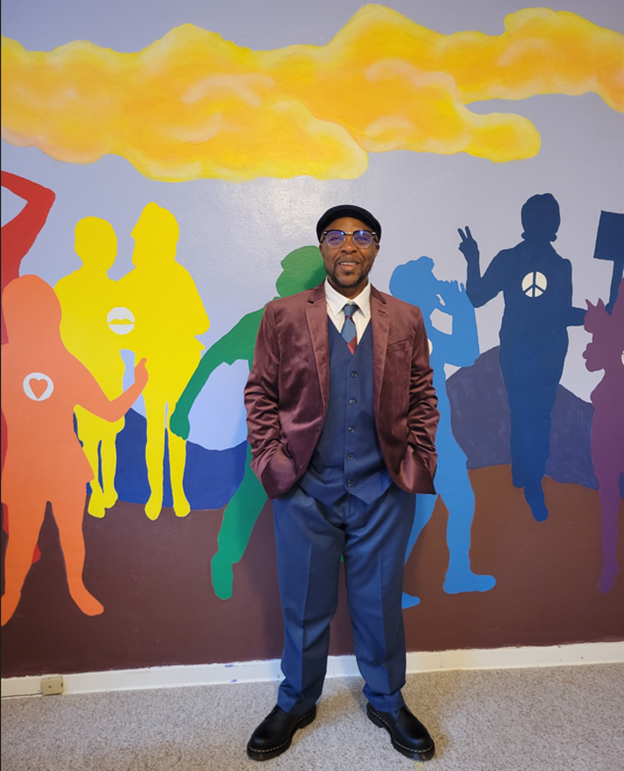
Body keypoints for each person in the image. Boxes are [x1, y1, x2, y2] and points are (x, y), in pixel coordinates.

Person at [244, 205, 439, 761]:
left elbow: (423, 397)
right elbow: (260, 395)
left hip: (383, 490)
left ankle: (386, 699)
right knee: (304, 605)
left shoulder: (405, 318)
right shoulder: (281, 315)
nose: (348, 245)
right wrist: (274, 465)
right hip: (305, 489)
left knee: (379, 604)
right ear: (322, 249)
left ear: (376, 248)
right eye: (335, 236)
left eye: (361, 236)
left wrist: (417, 459)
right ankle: (296, 701)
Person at [458, 194, 585, 521]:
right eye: (550, 216)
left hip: (536, 350)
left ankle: (526, 476)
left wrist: (594, 316)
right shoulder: (548, 265)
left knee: (529, 412)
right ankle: (531, 481)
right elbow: (478, 297)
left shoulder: (546, 264)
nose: (553, 222)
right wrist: (473, 258)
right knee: (536, 415)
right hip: (534, 350)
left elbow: (478, 297)